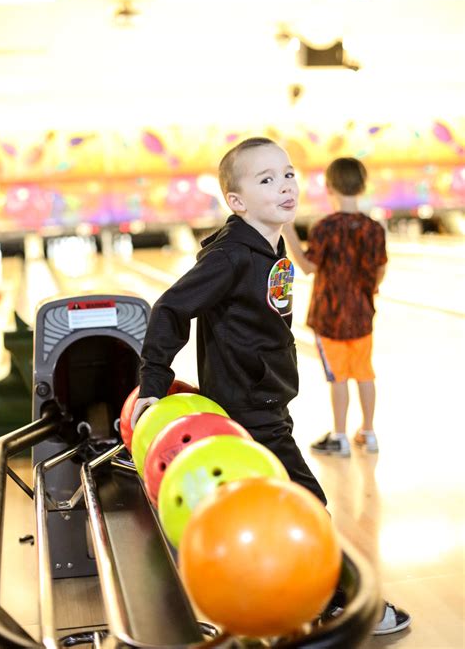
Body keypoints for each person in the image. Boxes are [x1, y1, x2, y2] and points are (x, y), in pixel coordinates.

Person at [133, 140, 410, 636]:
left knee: (272, 506)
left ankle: (277, 596)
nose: (285, 185)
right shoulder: (232, 258)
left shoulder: (267, 242)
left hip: (266, 400)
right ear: (236, 202)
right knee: (308, 503)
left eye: (287, 174)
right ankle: (341, 602)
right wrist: (152, 383)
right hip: (248, 406)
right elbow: (171, 308)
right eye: (266, 180)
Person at [283, 156, 386, 458]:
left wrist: (288, 231)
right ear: (363, 186)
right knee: (365, 373)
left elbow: (307, 267)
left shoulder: (324, 227)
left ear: (329, 187)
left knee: (338, 377)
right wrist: (370, 291)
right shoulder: (374, 228)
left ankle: (339, 436)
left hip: (330, 318)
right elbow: (380, 270)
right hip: (363, 315)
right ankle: (368, 432)